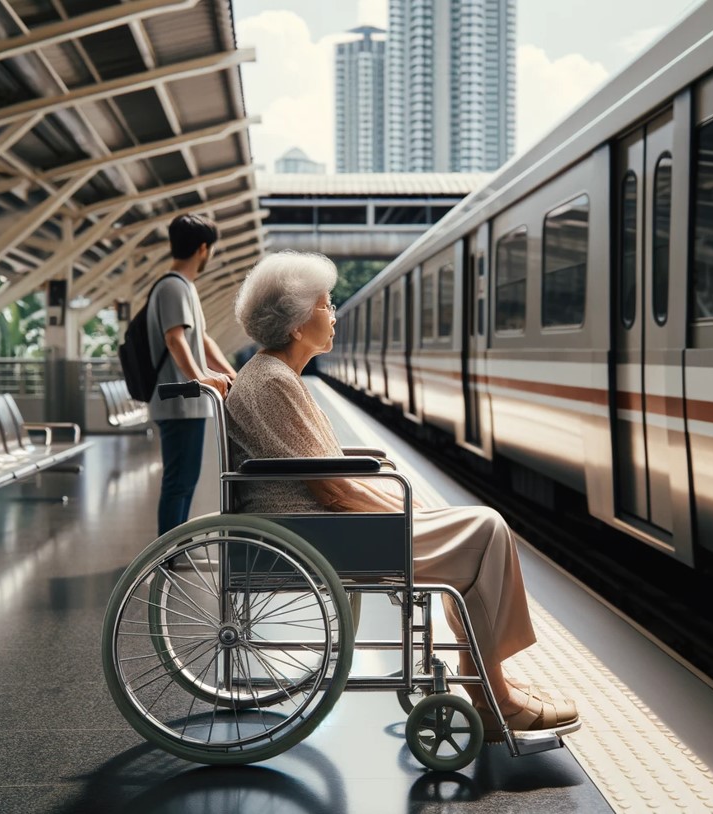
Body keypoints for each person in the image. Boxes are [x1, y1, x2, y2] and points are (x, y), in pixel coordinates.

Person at [225, 250, 578, 738]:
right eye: (326, 304)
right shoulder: (275, 383)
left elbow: (328, 477)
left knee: (476, 530)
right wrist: (403, 509)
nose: (334, 314)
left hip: (316, 526)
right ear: (297, 324)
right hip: (323, 534)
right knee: (486, 528)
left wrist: (403, 507)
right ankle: (492, 694)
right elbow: (333, 489)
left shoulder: (272, 376)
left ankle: (488, 680)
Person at [147, 213, 236, 536]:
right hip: (179, 403)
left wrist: (231, 373)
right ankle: (167, 553)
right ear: (203, 249)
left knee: (184, 481)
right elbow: (175, 339)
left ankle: (174, 546)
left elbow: (203, 339)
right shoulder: (173, 286)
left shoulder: (184, 287)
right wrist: (199, 378)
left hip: (187, 403)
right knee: (179, 483)